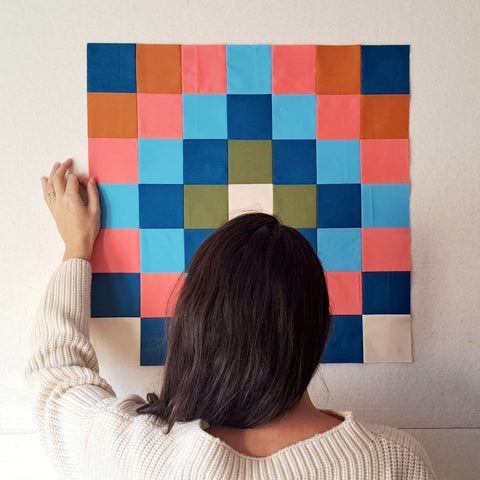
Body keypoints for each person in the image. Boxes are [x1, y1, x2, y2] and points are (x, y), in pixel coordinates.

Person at [25, 158, 437, 479]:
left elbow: (55, 377)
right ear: (320, 329)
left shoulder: (137, 454)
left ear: (194, 323)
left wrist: (76, 247)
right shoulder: (392, 464)